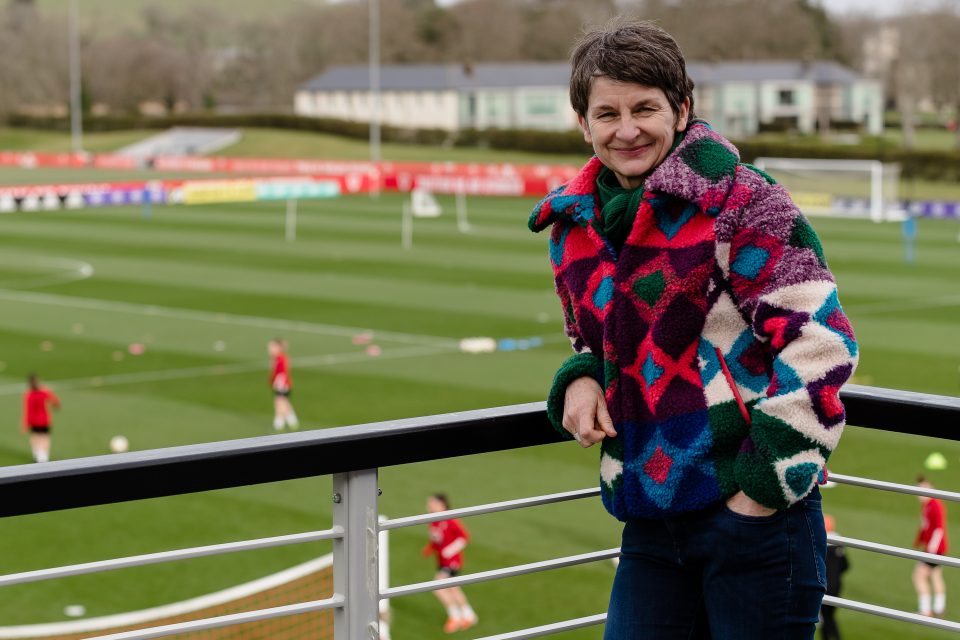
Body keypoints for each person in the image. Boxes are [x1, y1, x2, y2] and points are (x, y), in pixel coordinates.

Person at [528, 19, 859, 639]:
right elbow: (593, 339)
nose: (626, 130)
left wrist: (759, 493)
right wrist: (579, 378)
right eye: (607, 114)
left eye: (645, 108)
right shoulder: (574, 225)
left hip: (756, 520)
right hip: (650, 520)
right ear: (583, 123)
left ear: (682, 109)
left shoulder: (743, 202)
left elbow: (822, 343)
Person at [421, 493, 478, 633]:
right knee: (453, 588)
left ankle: (455, 616)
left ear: (442, 505)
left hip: (451, 562)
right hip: (441, 561)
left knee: (438, 587)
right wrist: (429, 549)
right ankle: (469, 615)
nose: (429, 506)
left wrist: (449, 551)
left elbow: (464, 537)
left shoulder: (450, 519)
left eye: (432, 503)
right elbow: (436, 540)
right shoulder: (433, 521)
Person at [913, 475, 948, 617]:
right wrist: (919, 541)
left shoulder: (935, 505)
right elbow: (925, 527)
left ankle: (925, 609)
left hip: (934, 550)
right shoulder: (927, 505)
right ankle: (939, 608)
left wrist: (931, 550)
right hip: (936, 548)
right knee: (935, 576)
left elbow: (939, 529)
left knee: (918, 576)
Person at [821, 514, 849, 640]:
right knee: (829, 616)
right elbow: (846, 565)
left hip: (823, 586)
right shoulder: (839, 544)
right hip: (837, 586)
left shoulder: (820, 543)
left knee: (826, 617)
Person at [22, 374, 60, 463]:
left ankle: (37, 456)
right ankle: (44, 457)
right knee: (45, 438)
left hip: (34, 421)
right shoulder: (44, 391)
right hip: (44, 420)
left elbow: (28, 411)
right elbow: (56, 401)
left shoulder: (29, 395)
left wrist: (26, 424)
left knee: (35, 438)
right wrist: (56, 406)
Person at [268, 338, 299, 431]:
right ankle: (289, 421)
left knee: (280, 402)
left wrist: (278, 384)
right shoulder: (278, 358)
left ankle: (280, 422)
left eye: (272, 346)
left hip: (282, 384)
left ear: (278, 347)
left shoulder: (280, 358)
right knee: (282, 402)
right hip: (282, 384)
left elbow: (282, 373)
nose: (269, 349)